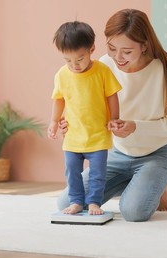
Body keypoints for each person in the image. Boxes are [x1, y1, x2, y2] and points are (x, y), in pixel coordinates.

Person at [57, 9, 167, 222]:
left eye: (127, 51)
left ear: (144, 45)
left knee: (134, 211)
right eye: (111, 48)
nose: (118, 57)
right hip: (117, 152)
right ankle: (143, 183)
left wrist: (136, 127)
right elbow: (85, 105)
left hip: (156, 152)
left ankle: (154, 182)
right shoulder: (102, 66)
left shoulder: (165, 70)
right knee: (68, 202)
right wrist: (67, 122)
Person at [49, 21, 122, 215]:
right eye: (68, 60)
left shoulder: (102, 71)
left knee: (98, 174)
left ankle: (94, 203)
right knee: (72, 173)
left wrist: (114, 118)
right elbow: (59, 99)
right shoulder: (62, 75)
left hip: (97, 136)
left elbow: (112, 96)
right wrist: (54, 122)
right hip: (73, 137)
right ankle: (76, 202)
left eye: (80, 59)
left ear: (92, 49)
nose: (74, 65)